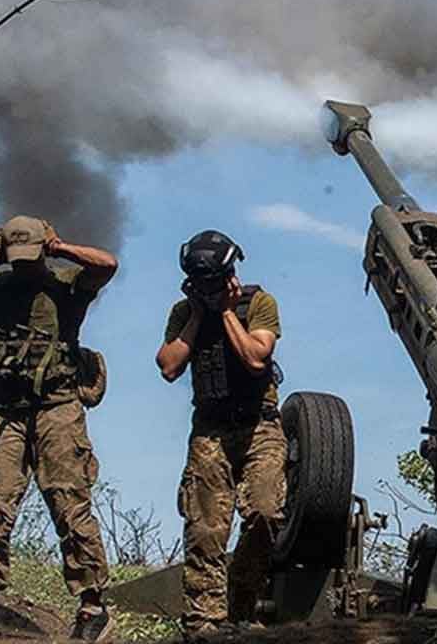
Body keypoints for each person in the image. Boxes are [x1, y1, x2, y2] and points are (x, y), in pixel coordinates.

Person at [0, 215, 117, 641]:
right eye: (15, 258)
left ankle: (92, 607)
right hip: (4, 411)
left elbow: (107, 265)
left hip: (58, 407)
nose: (22, 265)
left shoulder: (67, 283)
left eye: (29, 256)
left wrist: (60, 247)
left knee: (70, 507)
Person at [155, 230, 286, 636]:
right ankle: (204, 622)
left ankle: (240, 606)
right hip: (210, 429)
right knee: (205, 529)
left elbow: (254, 357)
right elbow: (168, 366)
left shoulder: (258, 304)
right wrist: (197, 315)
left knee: (265, 512)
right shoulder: (183, 312)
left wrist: (227, 312)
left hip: (259, 424)